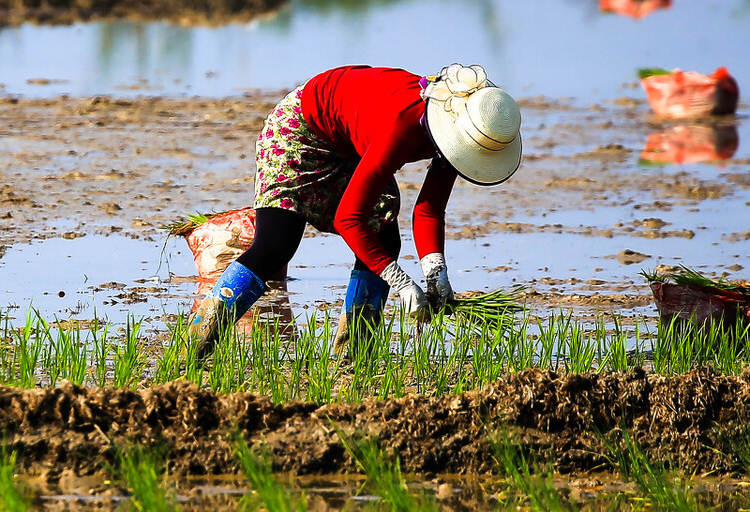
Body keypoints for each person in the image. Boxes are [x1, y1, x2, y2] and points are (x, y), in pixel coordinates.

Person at [188, 63, 523, 357]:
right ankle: (198, 341)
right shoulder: (405, 126)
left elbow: (430, 209)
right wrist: (402, 283)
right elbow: (348, 218)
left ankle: (354, 352)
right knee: (276, 245)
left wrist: (437, 273)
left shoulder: (464, 132)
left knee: (384, 236)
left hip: (351, 142)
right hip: (302, 128)